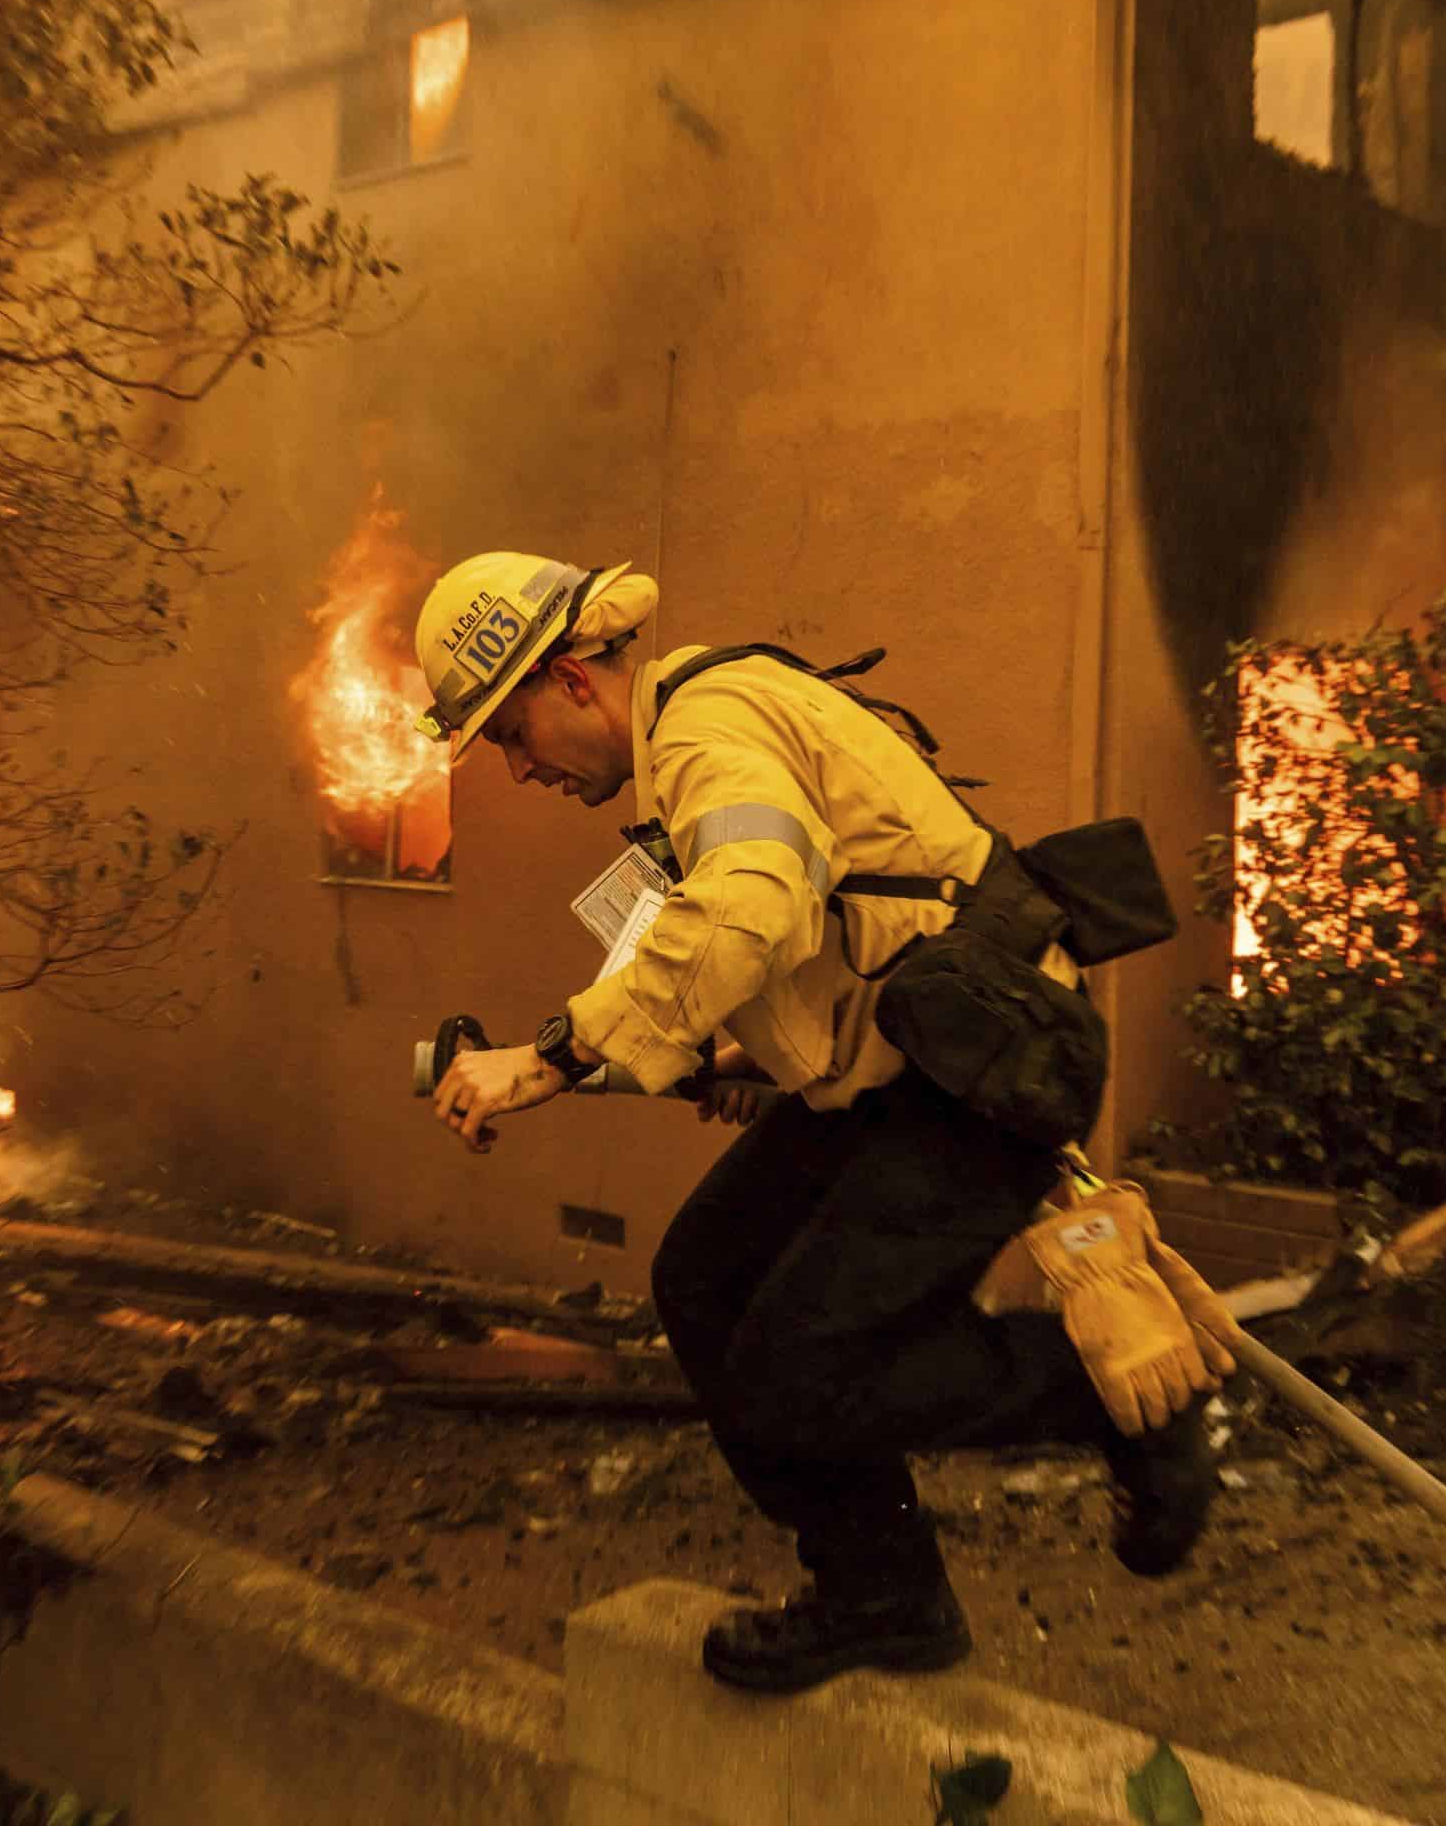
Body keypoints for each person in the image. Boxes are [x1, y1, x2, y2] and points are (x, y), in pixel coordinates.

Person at [413, 551, 1225, 1694]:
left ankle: (1126, 1400)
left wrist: (550, 1057)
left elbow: (749, 899)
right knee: (704, 1281)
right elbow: (830, 923)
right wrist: (768, 1056)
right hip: (899, 1067)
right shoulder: (698, 739)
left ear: (574, 680)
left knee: (800, 1365)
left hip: (984, 1072)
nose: (514, 766)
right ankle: (882, 1591)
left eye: (509, 731)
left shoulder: (704, 730)